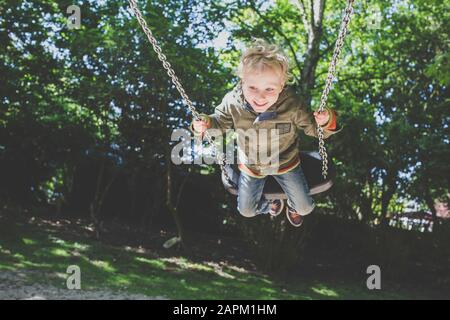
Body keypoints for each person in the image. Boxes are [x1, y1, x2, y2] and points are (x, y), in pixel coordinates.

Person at [191, 39, 340, 227]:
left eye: (269, 89)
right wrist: (205, 124)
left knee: (305, 208)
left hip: (286, 163)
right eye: (253, 87)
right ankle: (270, 204)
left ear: (282, 84)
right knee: (246, 211)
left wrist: (324, 121)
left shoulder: (291, 105)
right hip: (251, 165)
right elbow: (219, 123)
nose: (260, 96)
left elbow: (313, 128)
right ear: (242, 81)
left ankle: (292, 207)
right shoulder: (232, 102)